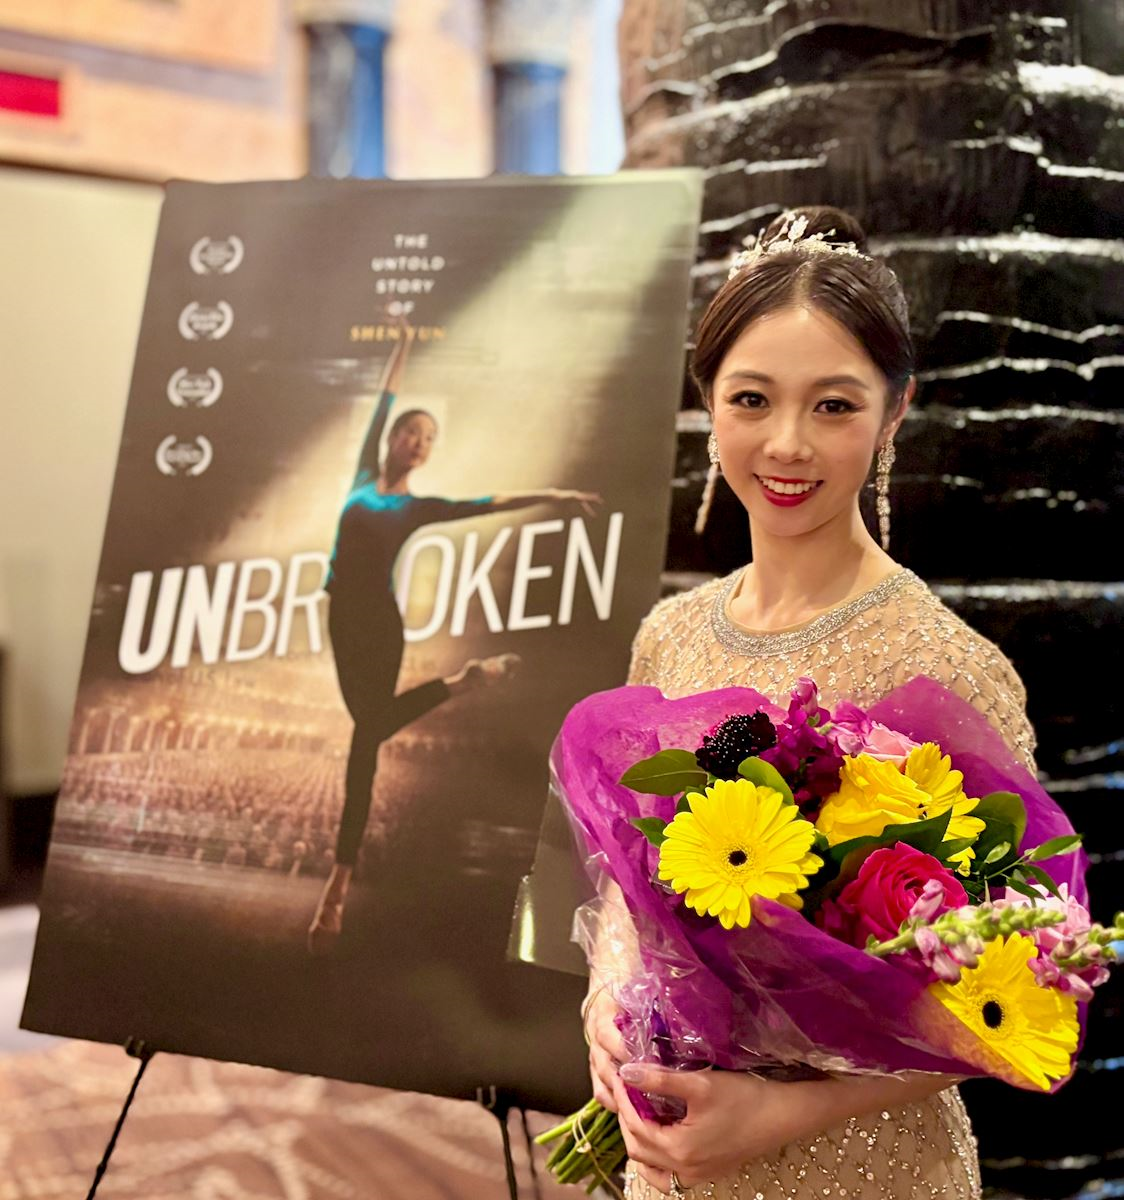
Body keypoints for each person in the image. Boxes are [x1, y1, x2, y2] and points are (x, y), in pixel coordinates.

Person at [584, 207, 1035, 1200]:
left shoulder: (944, 669)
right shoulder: (671, 634)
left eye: (833, 405)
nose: (786, 444)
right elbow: (626, 871)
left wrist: (777, 1115)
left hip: (866, 1168)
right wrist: (608, 996)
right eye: (751, 399)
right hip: (674, 1156)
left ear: (895, 411)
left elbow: (1018, 985)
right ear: (709, 402)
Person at [309, 315, 600, 953]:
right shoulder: (362, 481)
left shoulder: (416, 507)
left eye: (428, 439)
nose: (418, 442)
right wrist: (403, 344)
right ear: (393, 439)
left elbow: (487, 504)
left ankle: (337, 885)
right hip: (343, 618)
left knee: (366, 734)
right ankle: (459, 684)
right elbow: (384, 396)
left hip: (380, 625)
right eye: (411, 432)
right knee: (370, 725)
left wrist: (553, 494)